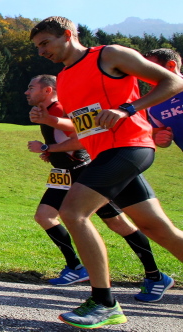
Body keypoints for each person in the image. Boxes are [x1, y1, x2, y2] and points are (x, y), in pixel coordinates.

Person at [30, 16, 183, 328]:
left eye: (45, 43)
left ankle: (104, 303)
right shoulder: (65, 78)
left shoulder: (108, 55)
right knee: (156, 228)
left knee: (73, 212)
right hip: (107, 154)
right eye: (37, 47)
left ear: (67, 35)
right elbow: (84, 127)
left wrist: (128, 109)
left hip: (130, 146)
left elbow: (174, 82)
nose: (41, 51)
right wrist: (51, 129)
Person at [26, 74, 171, 300]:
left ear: (47, 90)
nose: (27, 92)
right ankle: (75, 267)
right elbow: (65, 140)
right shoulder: (48, 111)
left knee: (118, 223)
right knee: (44, 216)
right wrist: (53, 152)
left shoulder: (59, 109)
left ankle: (155, 276)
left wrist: (47, 147)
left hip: (85, 172)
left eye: (31, 87)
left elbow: (82, 139)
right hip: (64, 173)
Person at [144, 48, 183, 152]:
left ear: (171, 66)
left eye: (150, 69)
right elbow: (158, 133)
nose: (143, 75)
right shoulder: (152, 104)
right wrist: (161, 140)